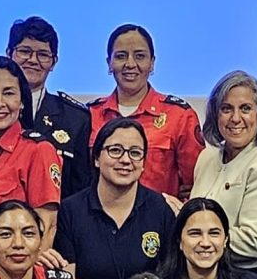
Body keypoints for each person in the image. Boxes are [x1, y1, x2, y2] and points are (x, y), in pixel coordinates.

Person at [51, 117, 179, 279]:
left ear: (143, 162)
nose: (126, 160)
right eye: (115, 150)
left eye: (135, 153)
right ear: (96, 158)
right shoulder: (70, 211)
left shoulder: (161, 210)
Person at [188, 70, 257, 278]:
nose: (235, 118)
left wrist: (189, 234)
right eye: (226, 109)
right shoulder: (207, 157)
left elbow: (254, 242)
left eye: (245, 109)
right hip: (202, 274)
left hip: (248, 278)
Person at [87, 24, 202, 200]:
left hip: (160, 222)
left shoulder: (179, 116)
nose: (130, 64)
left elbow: (196, 184)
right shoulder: (90, 114)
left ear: (152, 63)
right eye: (121, 56)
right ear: (109, 63)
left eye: (140, 56)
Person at [0, 55, 64, 243]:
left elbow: (46, 228)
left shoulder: (38, 151)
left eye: (9, 93)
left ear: (22, 101)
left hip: (15, 267)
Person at [8, 15, 96, 194]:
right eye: (25, 51)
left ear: (54, 62)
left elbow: (81, 189)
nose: (33, 60)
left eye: (43, 55)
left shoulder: (75, 118)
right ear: (9, 54)